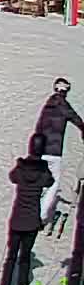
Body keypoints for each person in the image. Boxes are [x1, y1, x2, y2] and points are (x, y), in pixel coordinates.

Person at [0, 136, 54, 285]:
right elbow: (50, 182)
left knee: (11, 258)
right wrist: (43, 166)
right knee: (25, 257)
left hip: (16, 220)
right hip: (32, 222)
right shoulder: (43, 173)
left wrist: (21, 163)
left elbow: (12, 177)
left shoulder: (21, 170)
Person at [35, 78, 82, 224]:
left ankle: (32, 210)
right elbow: (77, 120)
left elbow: (38, 127)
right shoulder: (64, 106)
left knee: (38, 182)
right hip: (54, 152)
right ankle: (41, 216)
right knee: (53, 184)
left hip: (40, 150)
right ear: (66, 92)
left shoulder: (47, 105)